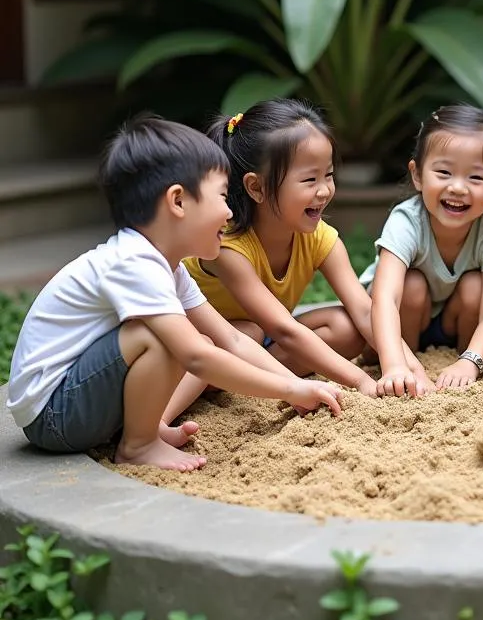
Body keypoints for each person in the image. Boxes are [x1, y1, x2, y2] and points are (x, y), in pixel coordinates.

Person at [5, 116, 345, 472]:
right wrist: (289, 391)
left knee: (186, 335)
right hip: (55, 416)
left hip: (76, 403)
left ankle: (146, 431)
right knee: (162, 338)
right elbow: (196, 356)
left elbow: (229, 337)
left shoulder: (169, 267)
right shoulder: (134, 263)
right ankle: (138, 445)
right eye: (222, 196)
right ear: (178, 201)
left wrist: (293, 386)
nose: (230, 212)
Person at [163, 99, 423, 427]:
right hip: (205, 344)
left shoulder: (319, 238)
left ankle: (247, 380)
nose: (325, 190)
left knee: (344, 327)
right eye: (309, 180)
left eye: (328, 175)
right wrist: (360, 381)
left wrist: (403, 365)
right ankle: (235, 381)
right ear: (256, 187)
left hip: (258, 346)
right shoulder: (226, 246)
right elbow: (283, 330)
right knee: (250, 330)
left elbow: (364, 310)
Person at [361, 105, 483, 395]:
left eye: (476, 177)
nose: (458, 187)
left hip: (449, 325)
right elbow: (385, 299)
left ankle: (461, 356)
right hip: (395, 324)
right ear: (418, 174)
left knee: (475, 286)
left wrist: (470, 363)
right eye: (444, 172)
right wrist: (394, 364)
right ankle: (401, 359)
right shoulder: (407, 221)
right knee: (413, 284)